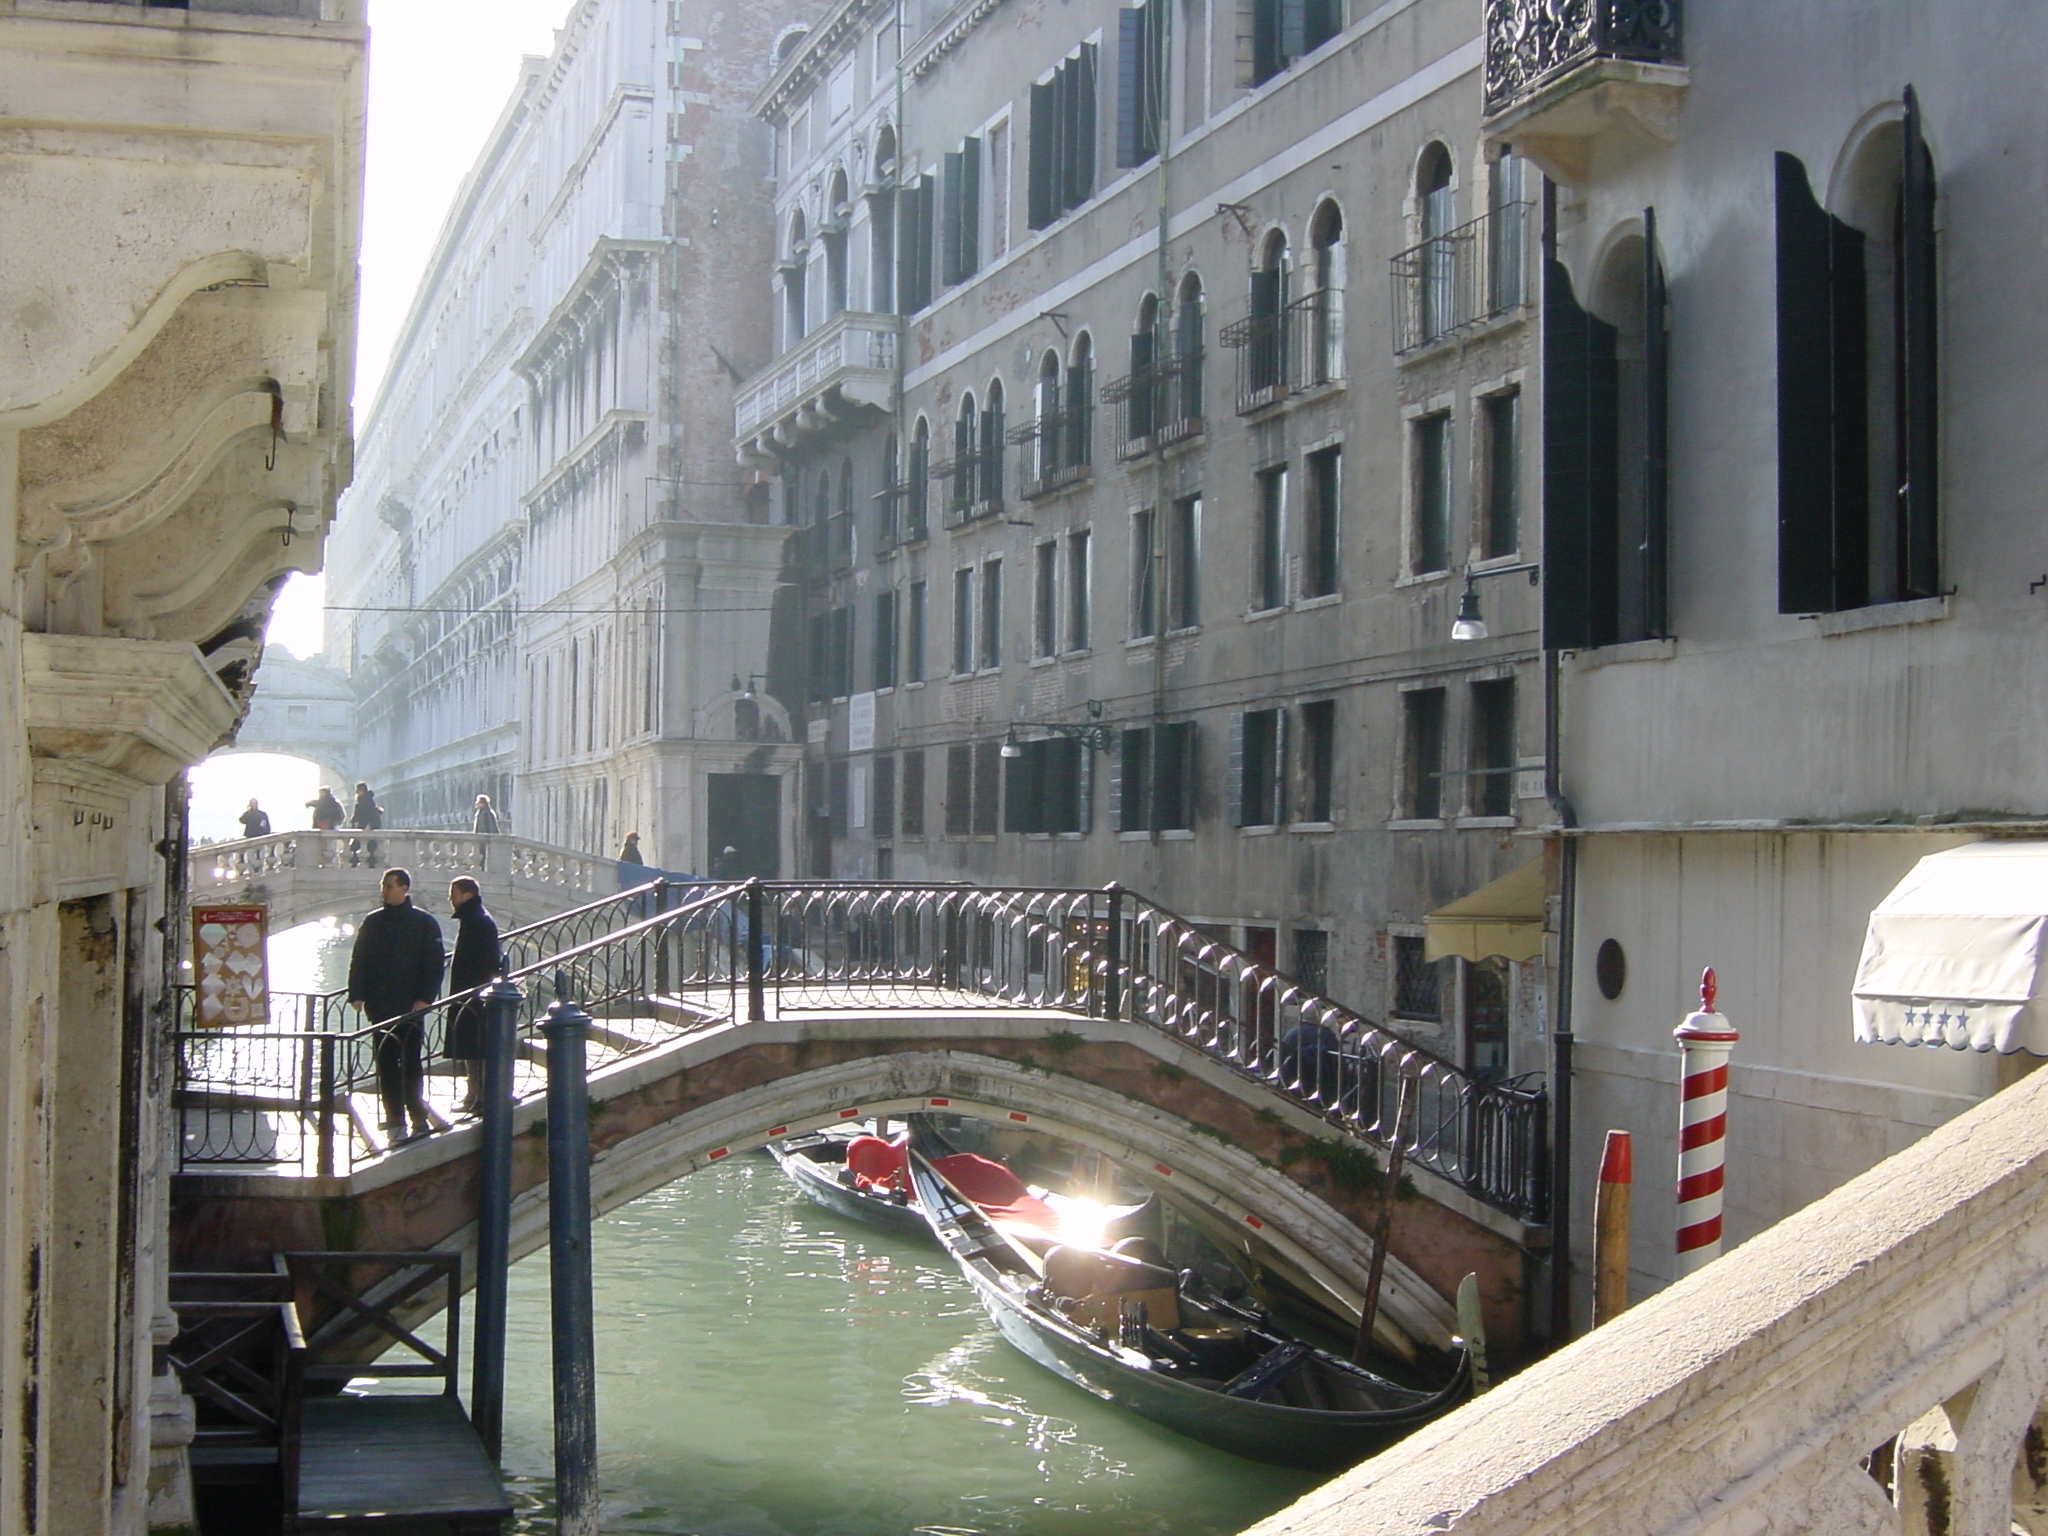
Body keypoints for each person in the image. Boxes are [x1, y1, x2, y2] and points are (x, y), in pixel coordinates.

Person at [346, 868, 446, 1142]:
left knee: (411, 1061)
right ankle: (393, 1115)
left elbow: (434, 965)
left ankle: (417, 1116)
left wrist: (425, 998)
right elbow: (360, 959)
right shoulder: (372, 922)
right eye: (383, 885)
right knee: (386, 1061)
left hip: (411, 1005)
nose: (385, 890)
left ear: (404, 888)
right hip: (380, 1004)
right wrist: (357, 993)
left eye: (389, 886)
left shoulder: (424, 923)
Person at [444, 876, 502, 1116]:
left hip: (473, 995)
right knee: (473, 1047)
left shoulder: (476, 921)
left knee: (474, 1047)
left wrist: (472, 992)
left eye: (453, 893)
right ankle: (475, 1094)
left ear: (466, 895)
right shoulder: (475, 918)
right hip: (470, 994)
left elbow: (483, 961)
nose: (450, 899)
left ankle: (477, 1096)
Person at [348, 781, 384, 866]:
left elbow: (368, 814)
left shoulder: (365, 801)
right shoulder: (367, 800)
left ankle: (357, 863)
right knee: (367, 848)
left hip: (364, 827)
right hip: (363, 827)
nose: (357, 792)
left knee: (360, 847)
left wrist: (367, 825)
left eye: (358, 790)